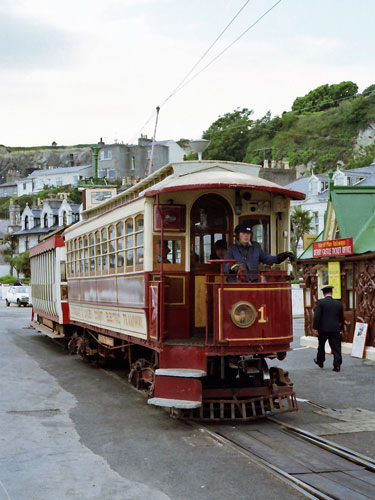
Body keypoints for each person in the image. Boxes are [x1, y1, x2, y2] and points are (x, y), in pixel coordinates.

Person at [223, 222, 294, 282]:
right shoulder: (231, 250)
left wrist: (284, 255)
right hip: (235, 286)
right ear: (238, 235)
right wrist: (234, 268)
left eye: (248, 233)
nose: (246, 235)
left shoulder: (256, 249)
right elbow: (226, 267)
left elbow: (269, 259)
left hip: (254, 284)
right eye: (244, 233)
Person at [313, 285, 344, 372]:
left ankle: (320, 361)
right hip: (335, 329)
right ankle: (337, 365)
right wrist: (341, 328)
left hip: (323, 329)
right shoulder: (338, 303)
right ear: (332, 293)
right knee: (336, 347)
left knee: (321, 346)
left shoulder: (321, 302)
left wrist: (315, 328)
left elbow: (317, 316)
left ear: (323, 293)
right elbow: (341, 317)